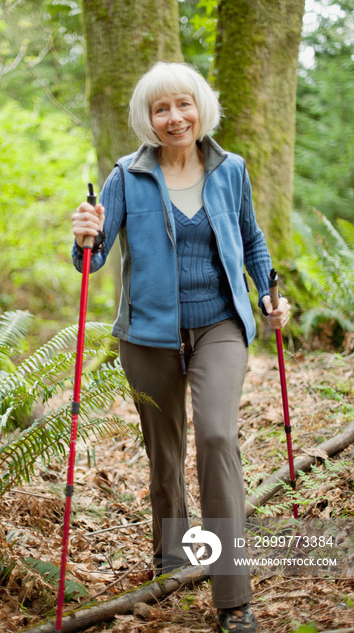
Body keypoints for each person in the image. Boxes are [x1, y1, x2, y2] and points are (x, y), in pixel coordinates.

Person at [71, 62, 291, 633]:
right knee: (164, 455)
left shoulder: (230, 169)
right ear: (148, 118)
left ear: (201, 108)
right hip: (148, 335)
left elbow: (251, 237)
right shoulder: (126, 176)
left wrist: (270, 292)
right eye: (161, 109)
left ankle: (234, 598)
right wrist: (83, 237)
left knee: (217, 436)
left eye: (183, 105)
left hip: (219, 324)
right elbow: (93, 261)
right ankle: (172, 557)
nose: (174, 118)